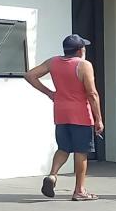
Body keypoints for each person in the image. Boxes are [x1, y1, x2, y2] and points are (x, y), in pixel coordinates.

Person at [24, 34, 104, 201]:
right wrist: (99, 119)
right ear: (80, 50)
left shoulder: (53, 62)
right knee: (81, 152)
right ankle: (79, 190)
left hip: (60, 113)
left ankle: (52, 175)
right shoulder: (84, 65)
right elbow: (92, 93)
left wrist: (50, 93)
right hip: (81, 115)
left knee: (63, 148)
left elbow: (30, 75)